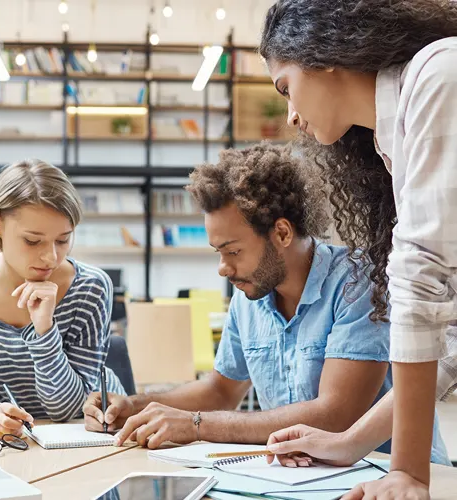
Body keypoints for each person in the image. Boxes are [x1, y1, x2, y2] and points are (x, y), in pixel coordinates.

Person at [83, 143, 449, 465]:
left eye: (233, 251)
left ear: (283, 233)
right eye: (218, 252)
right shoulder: (251, 293)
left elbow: (335, 415)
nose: (223, 268)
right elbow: (221, 391)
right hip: (303, 476)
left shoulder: (356, 281)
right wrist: (136, 406)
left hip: (387, 474)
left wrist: (196, 425)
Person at [258, 0, 457, 497]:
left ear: (321, 53)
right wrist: (350, 443)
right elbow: (452, 344)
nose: (291, 115)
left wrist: (408, 472)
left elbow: (420, 279)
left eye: (287, 88)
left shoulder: (437, 74)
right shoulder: (396, 142)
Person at [0, 159, 126, 437]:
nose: (51, 257)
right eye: (32, 241)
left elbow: (65, 408)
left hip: (88, 436)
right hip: (9, 440)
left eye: (62, 240)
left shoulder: (91, 288)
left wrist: (44, 329)